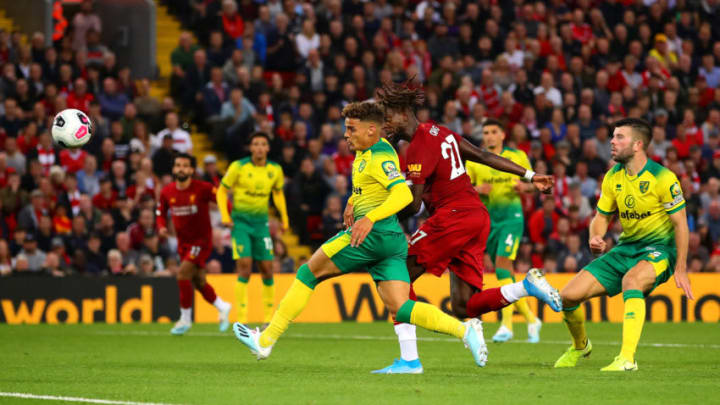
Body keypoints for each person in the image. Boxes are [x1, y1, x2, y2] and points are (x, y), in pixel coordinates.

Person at [232, 102, 488, 367]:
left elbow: (401, 193)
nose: (346, 135)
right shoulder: (373, 150)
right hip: (391, 241)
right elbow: (372, 187)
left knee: (308, 273)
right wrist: (354, 201)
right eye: (346, 129)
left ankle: (266, 340)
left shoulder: (378, 157)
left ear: (371, 130)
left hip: (369, 236)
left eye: (352, 129)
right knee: (401, 307)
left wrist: (368, 218)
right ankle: (462, 332)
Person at [373, 79, 561, 374]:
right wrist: (530, 175)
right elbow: (484, 156)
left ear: (402, 112)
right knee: (465, 306)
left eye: (387, 118)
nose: (385, 125)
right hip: (476, 216)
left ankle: (409, 359)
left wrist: (379, 214)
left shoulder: (418, 148)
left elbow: (414, 206)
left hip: (454, 216)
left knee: (397, 273)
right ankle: (526, 287)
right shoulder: (440, 132)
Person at [554, 118, 692, 371]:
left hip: (659, 250)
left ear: (638, 144)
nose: (612, 141)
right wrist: (595, 237)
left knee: (632, 281)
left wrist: (681, 267)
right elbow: (602, 217)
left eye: (619, 137)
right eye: (613, 136)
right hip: (625, 248)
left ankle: (627, 359)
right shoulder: (613, 177)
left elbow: (681, 225)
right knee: (567, 297)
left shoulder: (663, 177)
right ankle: (580, 346)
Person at [466, 118, 543, 343]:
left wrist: (524, 187)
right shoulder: (476, 160)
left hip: (512, 218)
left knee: (501, 267)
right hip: (489, 221)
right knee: (505, 272)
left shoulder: (516, 156)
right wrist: (477, 189)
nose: (489, 136)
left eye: (493, 132)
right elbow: (463, 189)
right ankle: (531, 319)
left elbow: (534, 184)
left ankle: (506, 325)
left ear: (502, 135)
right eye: (485, 132)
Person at [216, 132, 289, 325]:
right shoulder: (238, 167)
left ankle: (268, 319)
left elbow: (278, 194)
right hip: (240, 224)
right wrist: (225, 216)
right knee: (245, 267)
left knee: (267, 268)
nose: (258, 147)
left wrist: (285, 218)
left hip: (261, 225)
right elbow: (222, 191)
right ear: (251, 148)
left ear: (267, 148)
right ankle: (241, 320)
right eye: (255, 144)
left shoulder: (275, 170)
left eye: (262, 144)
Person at [156, 153, 232, 335]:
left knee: (182, 275)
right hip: (184, 243)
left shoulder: (203, 188)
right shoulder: (167, 192)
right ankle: (222, 306)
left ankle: (185, 319)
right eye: (178, 165)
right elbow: (160, 212)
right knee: (198, 281)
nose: (181, 168)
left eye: (185, 166)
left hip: (201, 241)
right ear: (174, 169)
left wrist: (227, 216)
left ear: (191, 170)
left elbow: (222, 199)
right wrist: (161, 227)